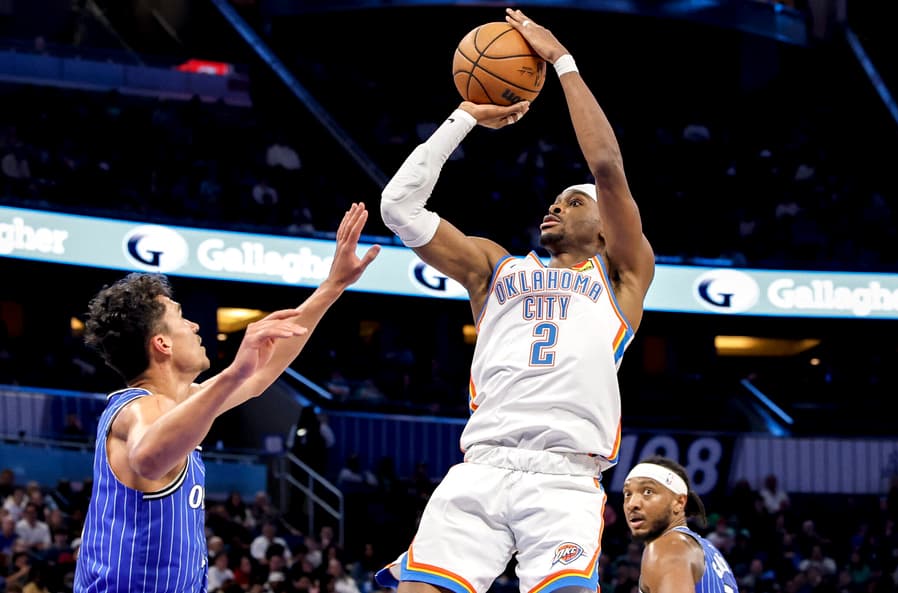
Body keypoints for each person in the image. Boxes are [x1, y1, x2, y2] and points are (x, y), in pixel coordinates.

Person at [376, 7, 655, 593]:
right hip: (481, 466)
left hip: (566, 480)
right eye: (554, 200)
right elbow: (399, 208)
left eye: (573, 203)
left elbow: (606, 166)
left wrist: (562, 62)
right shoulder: (494, 269)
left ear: (606, 229)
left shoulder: (623, 276)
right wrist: (465, 117)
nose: (555, 206)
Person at [72, 203, 380, 593]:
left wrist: (333, 286)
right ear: (162, 343)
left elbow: (263, 371)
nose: (195, 324)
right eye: (182, 317)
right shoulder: (138, 408)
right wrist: (235, 371)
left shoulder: (182, 405)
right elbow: (148, 456)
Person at [622, 456, 739, 593]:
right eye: (627, 494)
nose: (632, 504)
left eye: (648, 492)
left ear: (679, 502)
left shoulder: (668, 547)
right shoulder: (706, 549)